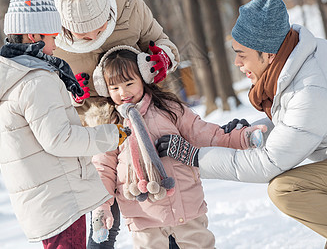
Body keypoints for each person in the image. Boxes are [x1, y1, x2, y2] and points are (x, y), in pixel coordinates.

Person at [156, 0, 327, 249]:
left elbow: (269, 164)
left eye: (243, 54)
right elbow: (296, 123)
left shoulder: (312, 86)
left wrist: (195, 156)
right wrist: (250, 134)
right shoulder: (298, 59)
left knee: (286, 189)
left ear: (269, 54)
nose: (237, 62)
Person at [0, 0, 129, 248]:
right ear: (33, 35)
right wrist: (111, 135)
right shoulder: (36, 80)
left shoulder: (6, 80)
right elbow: (60, 139)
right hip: (62, 202)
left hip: (45, 204)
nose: (56, 45)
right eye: (52, 36)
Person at [48, 0, 181, 248]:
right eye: (84, 36)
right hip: (95, 122)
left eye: (99, 29)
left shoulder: (129, 8)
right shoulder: (47, 34)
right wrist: (70, 94)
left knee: (158, 188)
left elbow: (165, 43)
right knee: (104, 194)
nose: (94, 36)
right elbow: (45, 91)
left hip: (142, 111)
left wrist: (163, 59)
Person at [87, 45, 266, 249]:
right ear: (105, 89)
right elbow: (102, 170)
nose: (123, 92)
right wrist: (101, 207)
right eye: (115, 88)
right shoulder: (109, 127)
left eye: (129, 83)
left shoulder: (169, 110)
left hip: (186, 209)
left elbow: (204, 133)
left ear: (144, 78)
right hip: (144, 219)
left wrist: (242, 137)